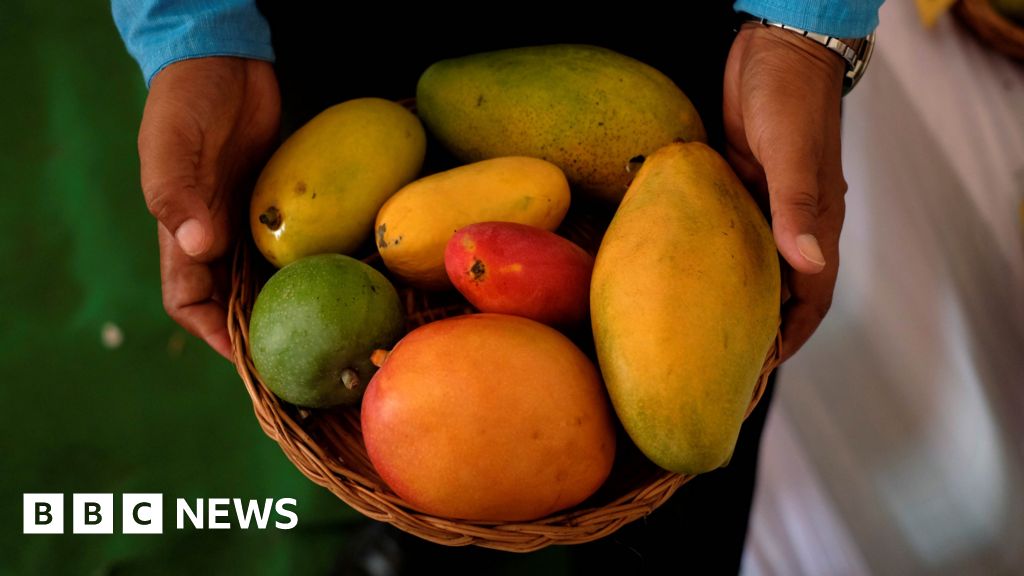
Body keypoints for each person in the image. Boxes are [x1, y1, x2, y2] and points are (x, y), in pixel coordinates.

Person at [113, 2, 882, 573]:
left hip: (661, 45)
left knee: (684, 441)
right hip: (340, 36)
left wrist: (805, 29)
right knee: (441, 487)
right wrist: (194, 31)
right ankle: (426, 541)